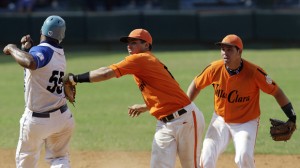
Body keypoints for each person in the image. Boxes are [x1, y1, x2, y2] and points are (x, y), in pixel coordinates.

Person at [63, 28, 205, 168]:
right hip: (164, 123)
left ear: (146, 45)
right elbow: (165, 92)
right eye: (128, 43)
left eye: (134, 42)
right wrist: (146, 106)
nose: (129, 46)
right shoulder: (144, 62)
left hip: (185, 119)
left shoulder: (141, 59)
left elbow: (106, 73)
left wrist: (74, 78)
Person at [186, 34, 297, 168]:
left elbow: (276, 91)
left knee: (243, 156)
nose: (225, 53)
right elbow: (196, 85)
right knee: (207, 157)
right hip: (220, 119)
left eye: (229, 50)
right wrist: (186, 107)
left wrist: (292, 117)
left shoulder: (254, 72)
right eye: (222, 49)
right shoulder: (214, 68)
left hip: (246, 122)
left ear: (239, 51)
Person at [3, 15, 75, 168]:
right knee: (59, 158)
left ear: (42, 29)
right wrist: (27, 50)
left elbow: (29, 62)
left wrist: (12, 48)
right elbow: (35, 66)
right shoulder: (59, 53)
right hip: (62, 118)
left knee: (26, 160)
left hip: (37, 121)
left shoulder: (42, 51)